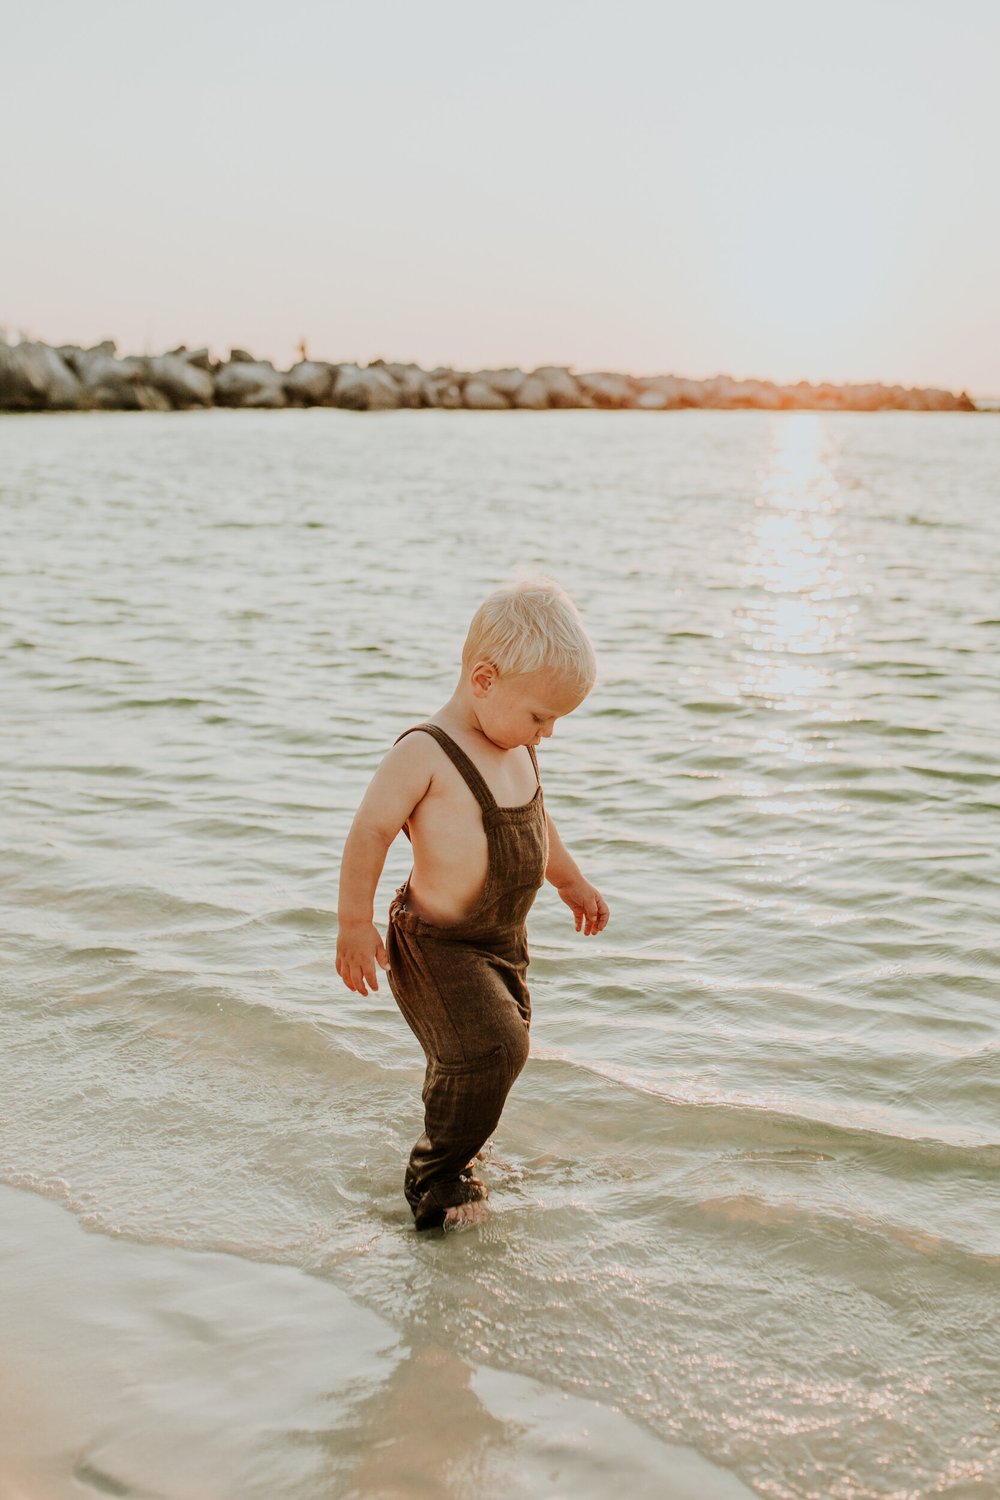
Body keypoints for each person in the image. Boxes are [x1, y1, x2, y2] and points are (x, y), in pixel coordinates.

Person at [335, 578, 610, 1230]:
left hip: (501, 943)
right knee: (494, 1050)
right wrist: (354, 923)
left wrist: (570, 882)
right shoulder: (425, 753)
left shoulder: (514, 750)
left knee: (487, 1054)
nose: (546, 735)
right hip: (437, 946)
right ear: (483, 680)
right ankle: (433, 1181)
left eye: (555, 722)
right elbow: (370, 831)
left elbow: (539, 829)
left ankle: (457, 1152)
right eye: (541, 716)